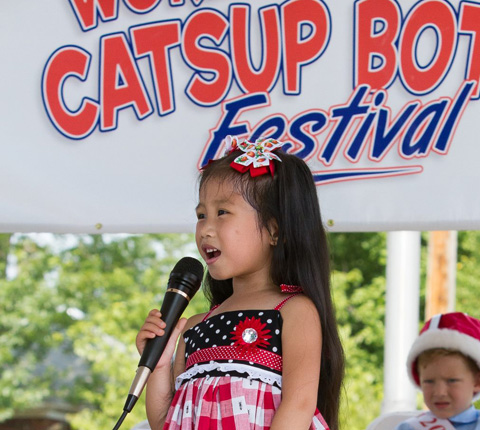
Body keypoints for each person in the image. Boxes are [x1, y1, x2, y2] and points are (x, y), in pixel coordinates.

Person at [136, 136, 344, 430]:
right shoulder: (193, 327)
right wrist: (158, 365)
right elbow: (165, 422)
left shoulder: (293, 311)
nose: (205, 229)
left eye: (222, 213)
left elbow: (298, 405)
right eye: (200, 215)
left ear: (274, 230)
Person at [396, 312, 480, 430]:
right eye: (429, 381)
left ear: (477, 382)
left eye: (452, 381)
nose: (439, 392)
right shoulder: (409, 427)